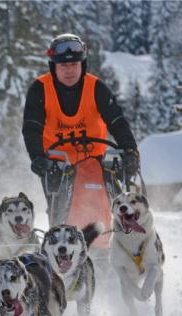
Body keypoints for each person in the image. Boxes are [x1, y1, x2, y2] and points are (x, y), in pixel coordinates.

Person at [22, 34, 140, 208]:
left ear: (82, 65)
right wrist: (37, 157)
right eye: (63, 65)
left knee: (116, 208)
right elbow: (32, 128)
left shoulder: (96, 88)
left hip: (96, 162)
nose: (69, 70)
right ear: (53, 67)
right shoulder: (40, 89)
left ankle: (121, 232)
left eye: (74, 65)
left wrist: (130, 150)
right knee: (61, 214)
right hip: (56, 167)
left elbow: (117, 122)